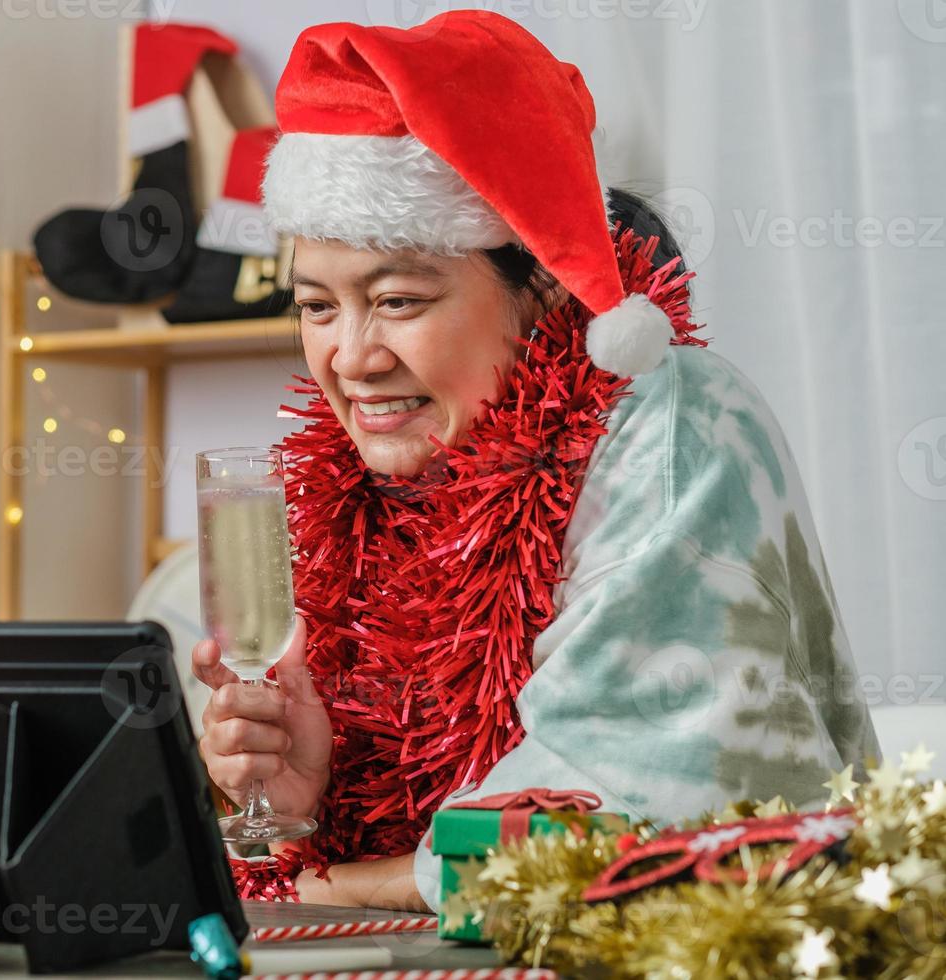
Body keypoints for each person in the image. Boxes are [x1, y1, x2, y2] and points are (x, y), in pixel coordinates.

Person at [191, 9, 880, 912]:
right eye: (317, 306)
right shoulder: (363, 488)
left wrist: (336, 885)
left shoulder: (678, 421)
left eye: (397, 300)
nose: (350, 357)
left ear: (545, 286)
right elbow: (319, 868)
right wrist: (295, 817)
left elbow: (636, 815)